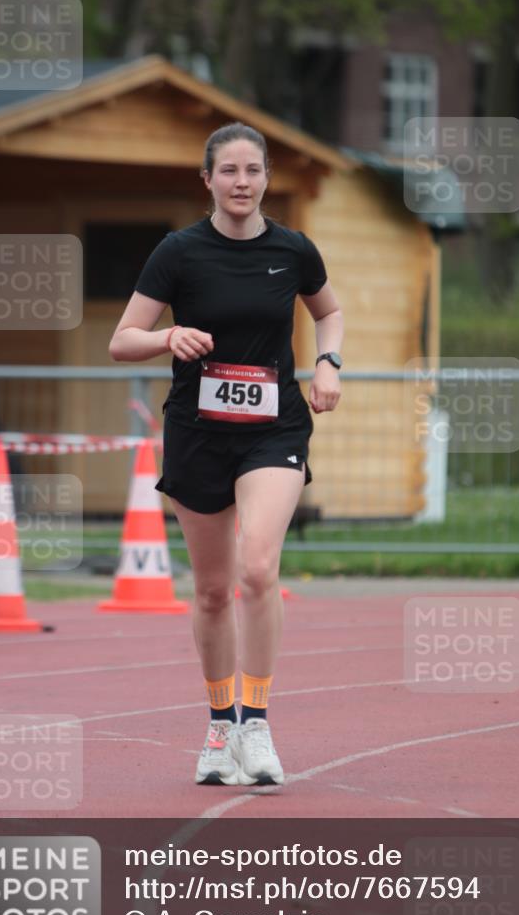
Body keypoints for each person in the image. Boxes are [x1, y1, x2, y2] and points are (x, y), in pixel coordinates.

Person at [109, 122, 343, 786]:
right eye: (229, 171)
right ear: (207, 180)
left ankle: (257, 723)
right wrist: (168, 338)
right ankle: (219, 727)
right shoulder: (177, 253)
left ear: (267, 176)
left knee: (258, 567)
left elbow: (328, 312)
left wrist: (327, 365)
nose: (242, 182)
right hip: (198, 430)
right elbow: (122, 339)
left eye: (253, 170)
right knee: (212, 590)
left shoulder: (293, 249)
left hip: (274, 428)